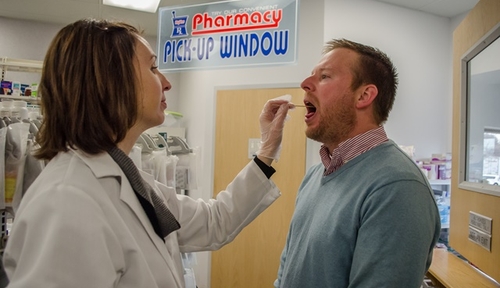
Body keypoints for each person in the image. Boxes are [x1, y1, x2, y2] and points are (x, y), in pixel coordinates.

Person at [2, 18, 293, 288]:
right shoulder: (67, 200)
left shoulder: (129, 179)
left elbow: (213, 222)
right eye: (153, 68)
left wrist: (267, 149)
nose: (166, 82)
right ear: (111, 81)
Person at [274, 38, 441, 288]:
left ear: (364, 95)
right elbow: (288, 268)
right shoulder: (315, 175)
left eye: (325, 77)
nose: (305, 84)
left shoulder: (397, 187)